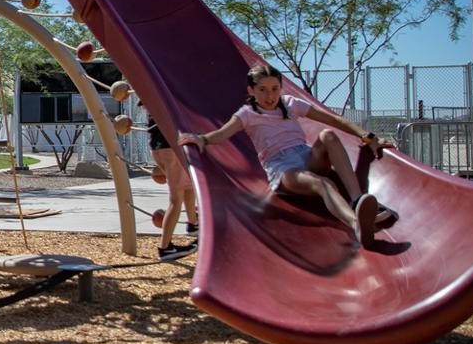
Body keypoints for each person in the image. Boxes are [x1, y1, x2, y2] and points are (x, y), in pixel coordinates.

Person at [179, 64, 393, 249]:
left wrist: (368, 137)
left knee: (328, 135)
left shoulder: (290, 104)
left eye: (274, 89)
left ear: (281, 88)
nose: (269, 96)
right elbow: (221, 134)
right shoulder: (247, 114)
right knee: (324, 183)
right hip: (282, 167)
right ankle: (356, 224)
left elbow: (334, 120)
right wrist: (202, 139)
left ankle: (357, 200)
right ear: (251, 90)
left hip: (306, 155)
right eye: (262, 90)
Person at [148, 115, 199, 258]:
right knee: (176, 199)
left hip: (158, 143)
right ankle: (165, 248)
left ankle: (193, 224)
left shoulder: (155, 95)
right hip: (170, 145)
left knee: (188, 184)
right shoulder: (169, 95)